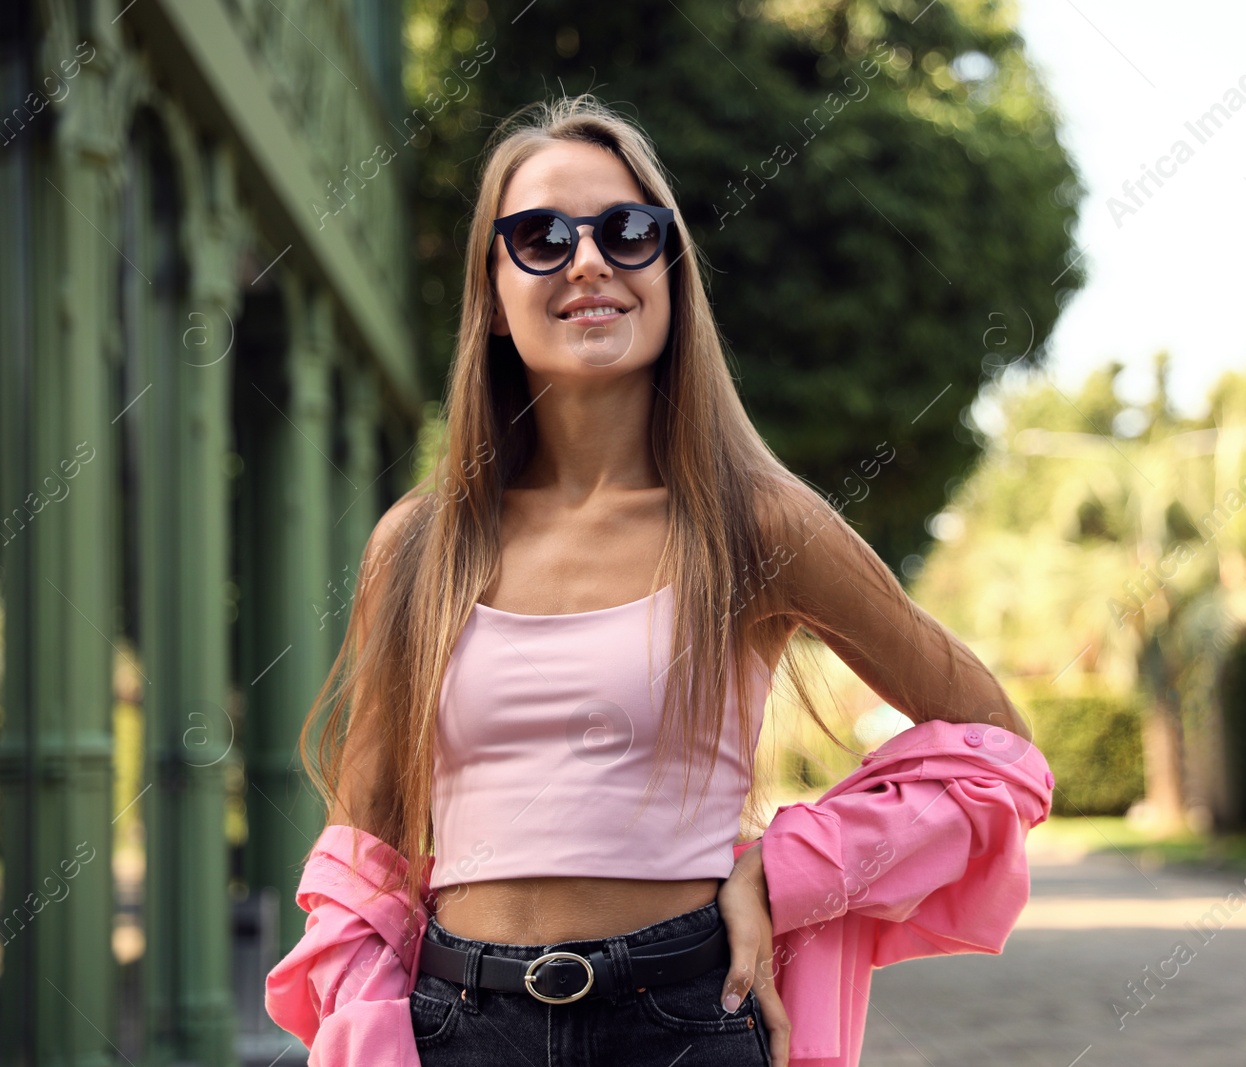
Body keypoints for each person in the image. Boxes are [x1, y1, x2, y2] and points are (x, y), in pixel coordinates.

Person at [298, 93, 1033, 1067]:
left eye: (628, 230)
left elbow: (995, 745)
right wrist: (370, 1028)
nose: (589, 259)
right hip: (455, 1026)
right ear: (494, 290)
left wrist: (785, 867)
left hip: (684, 1015)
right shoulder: (420, 542)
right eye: (541, 237)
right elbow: (368, 840)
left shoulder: (757, 523)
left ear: (672, 271)